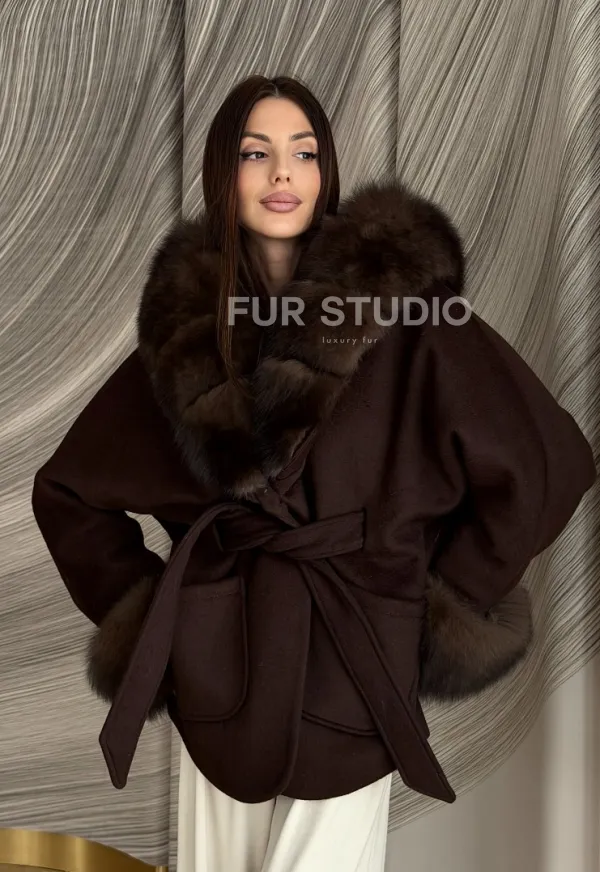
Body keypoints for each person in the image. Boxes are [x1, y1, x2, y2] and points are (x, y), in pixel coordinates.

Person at [31, 74, 597, 871]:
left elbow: (547, 462)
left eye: (303, 152)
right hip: (219, 664)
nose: (282, 173)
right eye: (255, 153)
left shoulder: (408, 314)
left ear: (327, 169)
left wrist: (444, 596)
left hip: (355, 656)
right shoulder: (186, 337)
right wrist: (158, 617)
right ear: (223, 173)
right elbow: (69, 491)